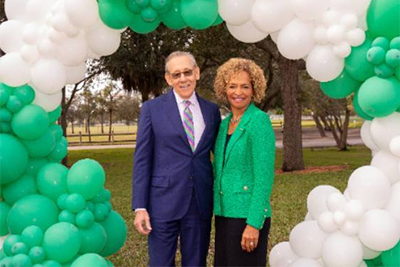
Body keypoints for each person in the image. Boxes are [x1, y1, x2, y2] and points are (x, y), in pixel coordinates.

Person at [132, 51, 221, 267]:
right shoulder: (152, 109)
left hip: (199, 201)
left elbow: (217, 155)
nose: (183, 79)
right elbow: (142, 158)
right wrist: (140, 206)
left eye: (187, 72)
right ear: (168, 79)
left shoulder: (211, 111)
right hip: (162, 202)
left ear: (197, 73)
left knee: (196, 263)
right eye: (177, 74)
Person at [212, 58, 275, 267]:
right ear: (224, 88)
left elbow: (264, 178)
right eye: (232, 86)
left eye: (245, 86)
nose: (238, 92)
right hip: (223, 214)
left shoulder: (259, 121)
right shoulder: (224, 125)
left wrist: (253, 224)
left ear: (254, 89)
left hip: (247, 217)